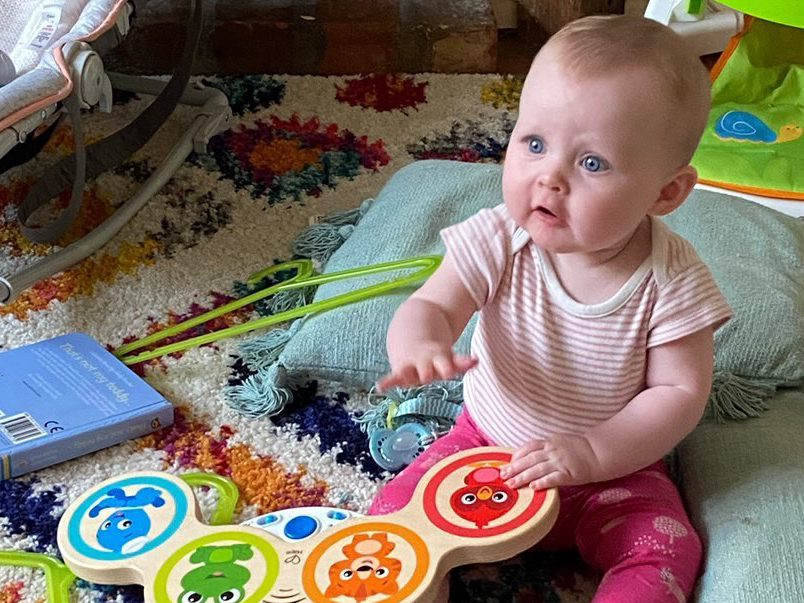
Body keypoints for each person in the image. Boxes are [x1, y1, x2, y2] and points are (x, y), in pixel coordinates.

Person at [368, 14, 733, 602]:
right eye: (534, 144)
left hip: (614, 473)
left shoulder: (673, 279)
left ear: (666, 193)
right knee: (390, 521)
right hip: (484, 448)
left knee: (666, 547)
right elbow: (434, 303)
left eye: (592, 163)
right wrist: (420, 342)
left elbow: (679, 394)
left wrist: (592, 453)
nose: (549, 179)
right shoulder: (499, 237)